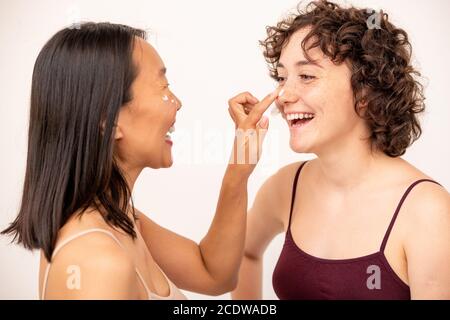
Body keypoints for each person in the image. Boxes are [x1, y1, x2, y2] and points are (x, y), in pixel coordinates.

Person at [1, 22, 278, 299]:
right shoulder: (97, 261)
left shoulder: (122, 221)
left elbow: (214, 274)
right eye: (164, 87)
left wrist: (240, 166)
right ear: (109, 121)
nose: (177, 102)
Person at [232, 0, 450, 300]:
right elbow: (242, 252)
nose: (283, 96)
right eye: (282, 78)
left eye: (306, 76)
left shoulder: (428, 210)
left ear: (365, 90)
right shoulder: (285, 187)